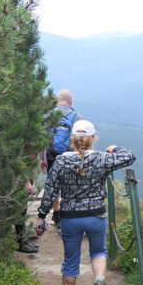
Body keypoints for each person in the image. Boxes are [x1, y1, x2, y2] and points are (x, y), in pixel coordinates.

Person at [36, 119, 135, 285]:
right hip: (95, 215)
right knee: (98, 251)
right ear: (92, 139)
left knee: (70, 260)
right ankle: (99, 281)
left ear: (72, 139)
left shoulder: (61, 161)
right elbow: (130, 157)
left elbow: (50, 190)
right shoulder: (100, 158)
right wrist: (115, 148)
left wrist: (41, 216)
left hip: (69, 218)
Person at [45, 89, 84, 225]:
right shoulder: (77, 117)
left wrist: (41, 159)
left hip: (52, 155)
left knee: (54, 184)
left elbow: (42, 138)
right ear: (70, 101)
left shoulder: (49, 115)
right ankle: (66, 213)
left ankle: (56, 213)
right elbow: (81, 141)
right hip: (70, 156)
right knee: (68, 184)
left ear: (57, 100)